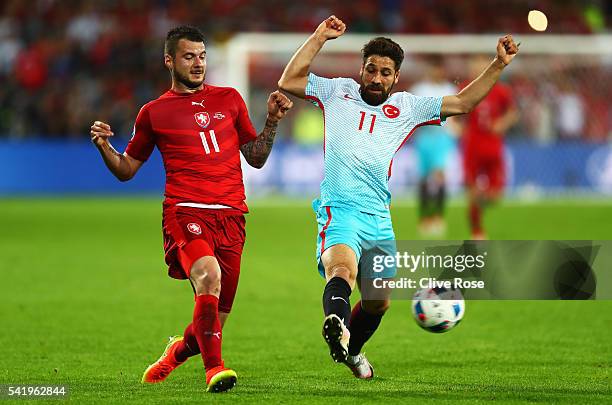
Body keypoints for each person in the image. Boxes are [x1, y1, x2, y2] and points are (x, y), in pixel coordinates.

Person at [278, 15, 518, 379]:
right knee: (340, 268)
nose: (376, 78)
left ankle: (352, 350)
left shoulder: (407, 107)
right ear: (361, 70)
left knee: (378, 303)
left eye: (385, 72)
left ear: (396, 77)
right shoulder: (335, 91)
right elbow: (289, 80)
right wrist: (318, 37)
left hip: (378, 218)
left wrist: (498, 64)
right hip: (339, 209)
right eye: (371, 69)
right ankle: (336, 324)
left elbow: (464, 103)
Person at [90, 25, 292, 393]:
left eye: (201, 56)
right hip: (186, 212)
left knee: (213, 321)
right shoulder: (153, 113)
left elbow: (257, 157)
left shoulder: (230, 99)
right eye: (188, 56)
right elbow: (126, 170)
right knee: (208, 276)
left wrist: (273, 121)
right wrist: (105, 146)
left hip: (231, 217)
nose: (198, 64)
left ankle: (176, 354)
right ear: (169, 60)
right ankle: (215, 370)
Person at [462, 55, 519, 240]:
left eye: (480, 65)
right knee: (471, 190)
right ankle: (477, 231)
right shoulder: (464, 88)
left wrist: (502, 123)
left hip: (493, 146)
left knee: (495, 196)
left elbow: (512, 113)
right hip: (472, 146)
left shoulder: (501, 90)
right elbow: (453, 113)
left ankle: (480, 202)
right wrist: (457, 128)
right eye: (474, 65)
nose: (477, 68)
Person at [410, 58, 458, 237]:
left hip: (442, 137)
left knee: (439, 176)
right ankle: (424, 218)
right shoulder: (419, 90)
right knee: (423, 179)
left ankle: (438, 217)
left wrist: (456, 130)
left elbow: (454, 115)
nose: (436, 72)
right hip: (424, 138)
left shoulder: (449, 90)